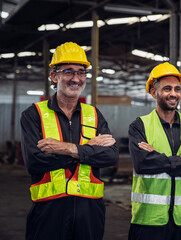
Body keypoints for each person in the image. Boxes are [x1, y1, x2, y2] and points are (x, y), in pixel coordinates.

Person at [20, 42, 119, 240]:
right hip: (48, 211)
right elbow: (35, 161)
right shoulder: (34, 114)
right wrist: (88, 151)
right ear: (54, 76)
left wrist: (67, 149)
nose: (76, 78)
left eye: (81, 72)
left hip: (90, 212)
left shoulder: (94, 115)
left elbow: (110, 155)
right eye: (68, 71)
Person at [128, 62, 181, 240]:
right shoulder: (140, 125)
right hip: (148, 220)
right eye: (167, 89)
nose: (173, 94)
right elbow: (142, 164)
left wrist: (159, 160)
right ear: (153, 92)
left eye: (177, 89)